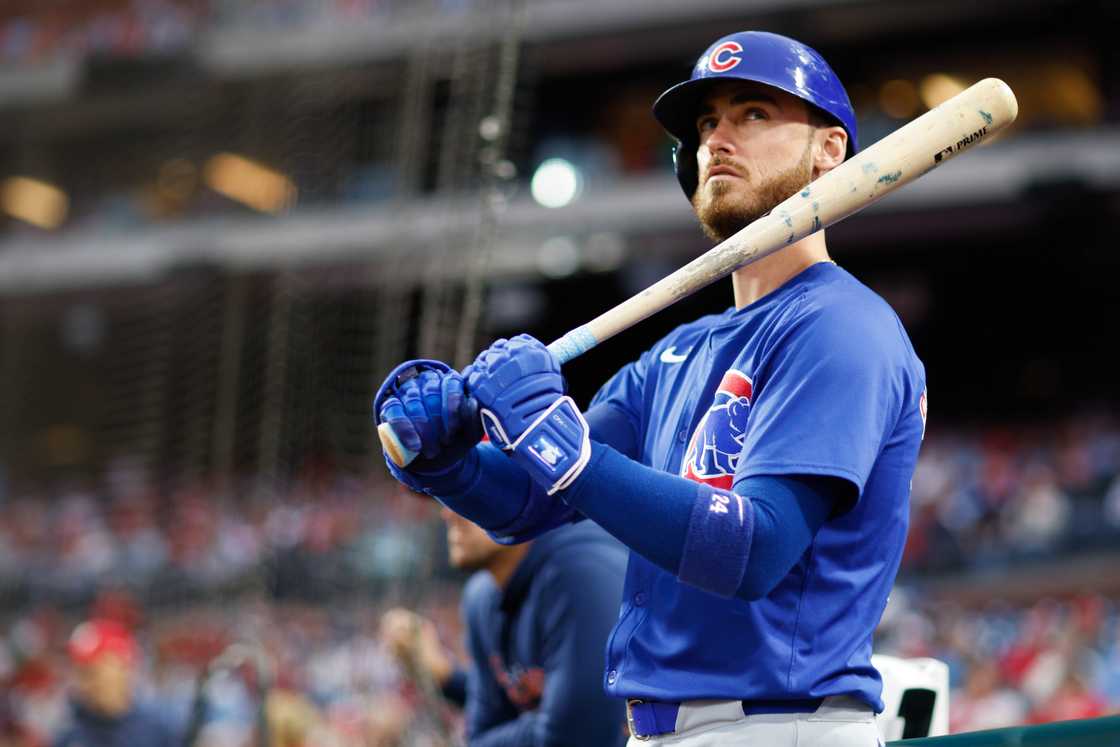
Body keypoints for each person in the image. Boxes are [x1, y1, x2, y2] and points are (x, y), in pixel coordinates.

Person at [376, 30, 927, 746]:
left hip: (780, 725)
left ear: (829, 149)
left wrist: (569, 453)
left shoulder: (842, 326)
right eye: (706, 123)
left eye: (752, 113)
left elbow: (753, 549)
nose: (718, 137)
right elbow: (524, 502)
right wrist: (448, 463)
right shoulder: (677, 353)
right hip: (658, 728)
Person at [380, 505, 627, 746]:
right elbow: (484, 730)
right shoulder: (482, 595)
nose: (448, 512)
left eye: (468, 494)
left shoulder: (583, 571)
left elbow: (578, 737)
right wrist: (445, 677)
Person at [52, 618, 180, 747]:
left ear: (123, 667)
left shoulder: (158, 728)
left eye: (96, 670)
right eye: (82, 672)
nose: (89, 683)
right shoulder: (69, 736)